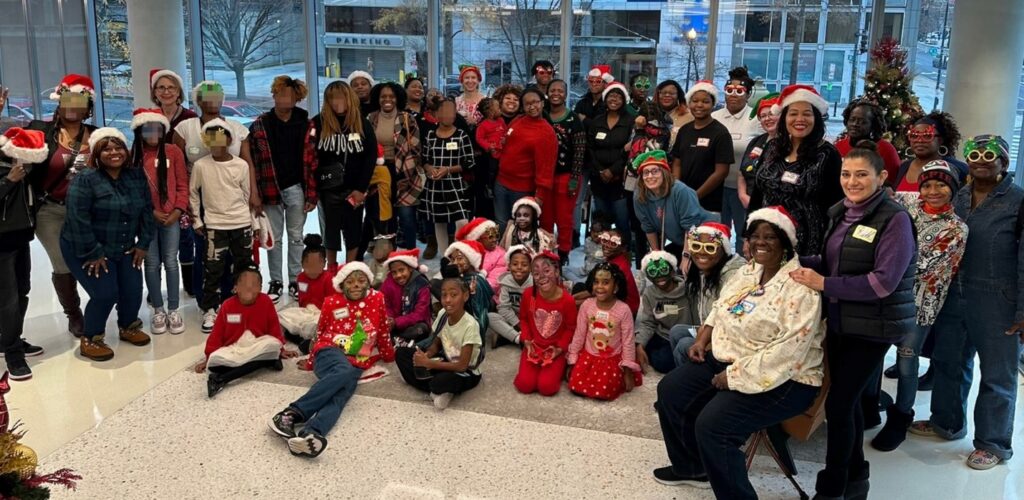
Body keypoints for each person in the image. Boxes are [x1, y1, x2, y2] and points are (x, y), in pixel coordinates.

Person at [653, 206, 824, 499]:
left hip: (786, 379)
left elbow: (788, 353)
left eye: (770, 236)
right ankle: (692, 467)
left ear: (786, 242)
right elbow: (722, 305)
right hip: (729, 357)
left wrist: (732, 376)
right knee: (671, 390)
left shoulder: (801, 287)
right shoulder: (749, 271)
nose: (760, 242)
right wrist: (703, 339)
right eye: (754, 235)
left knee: (714, 428)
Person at [789, 141, 916, 499]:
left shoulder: (895, 219)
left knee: (839, 404)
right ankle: (857, 478)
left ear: (882, 177)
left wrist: (824, 283)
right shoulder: (842, 213)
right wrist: (798, 263)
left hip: (875, 327)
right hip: (843, 320)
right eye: (846, 174)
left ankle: (831, 490)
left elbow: (882, 282)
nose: (852, 181)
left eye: (862, 174)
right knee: (852, 402)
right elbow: (835, 263)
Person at [909, 135, 1024, 471]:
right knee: (950, 360)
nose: (982, 160)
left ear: (1004, 161)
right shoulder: (957, 194)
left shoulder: (1017, 201)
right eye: (975, 154)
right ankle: (947, 422)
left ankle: (993, 443)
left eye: (991, 155)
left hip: (999, 298)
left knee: (997, 374)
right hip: (953, 292)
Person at [869, 160, 967, 452]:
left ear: (953, 189)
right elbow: (881, 193)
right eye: (927, 184)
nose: (933, 191)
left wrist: (884, 261)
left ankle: (901, 417)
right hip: (883, 297)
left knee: (907, 361)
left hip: (920, 306)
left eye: (941, 185)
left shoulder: (956, 228)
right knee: (872, 354)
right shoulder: (908, 204)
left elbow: (925, 266)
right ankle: (869, 405)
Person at [270, 261, 393, 457]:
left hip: (359, 358)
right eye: (350, 282)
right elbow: (319, 333)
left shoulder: (377, 299)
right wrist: (311, 361)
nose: (356, 286)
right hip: (329, 349)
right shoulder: (331, 302)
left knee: (340, 397)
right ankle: (291, 413)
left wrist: (388, 354)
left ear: (369, 284)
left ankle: (311, 434)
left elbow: (383, 328)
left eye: (361, 281)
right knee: (342, 371)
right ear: (342, 285)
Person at [60, 128, 155, 361]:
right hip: (85, 246)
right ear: (96, 153)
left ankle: (128, 326)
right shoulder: (85, 179)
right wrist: (93, 253)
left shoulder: (135, 175)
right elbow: (77, 219)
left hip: (124, 244)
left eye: (118, 147)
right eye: (107, 149)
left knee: (133, 289)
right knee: (105, 293)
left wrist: (142, 244)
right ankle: (91, 338)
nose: (114, 153)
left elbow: (146, 211)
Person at [173, 81, 260, 306]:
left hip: (234, 199)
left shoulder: (237, 128)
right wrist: (184, 202)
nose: (213, 100)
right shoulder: (185, 128)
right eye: (207, 96)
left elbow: (247, 163)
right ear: (198, 100)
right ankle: (208, 303)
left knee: (236, 254)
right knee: (208, 254)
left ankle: (234, 298)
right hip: (202, 197)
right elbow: (178, 166)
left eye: (217, 95)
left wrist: (254, 194)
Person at [25, 74, 96, 338]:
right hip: (50, 210)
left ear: (88, 107)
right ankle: (73, 313)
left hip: (86, 212)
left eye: (79, 101)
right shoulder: (41, 132)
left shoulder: (97, 135)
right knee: (62, 262)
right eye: (68, 100)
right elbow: (14, 148)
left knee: (91, 259)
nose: (73, 106)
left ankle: (98, 304)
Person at [749, 85, 843, 256]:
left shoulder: (828, 154)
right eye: (793, 113)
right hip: (765, 239)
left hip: (808, 244)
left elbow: (837, 204)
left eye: (807, 114)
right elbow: (757, 193)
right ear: (784, 118)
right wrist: (747, 235)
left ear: (816, 118)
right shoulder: (772, 147)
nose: (800, 119)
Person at [249, 76, 316, 302]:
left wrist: (311, 194)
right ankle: (276, 281)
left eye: (290, 94)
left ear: (298, 98)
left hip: (297, 187)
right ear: (274, 95)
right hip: (269, 189)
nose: (285, 98)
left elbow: (313, 162)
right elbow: (253, 160)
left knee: (297, 237)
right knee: (274, 238)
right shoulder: (261, 123)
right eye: (280, 93)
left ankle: (296, 279)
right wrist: (254, 193)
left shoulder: (307, 124)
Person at [189, 119, 256, 332]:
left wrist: (253, 223)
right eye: (211, 139)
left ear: (229, 139)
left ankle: (247, 305)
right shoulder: (201, 166)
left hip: (241, 223)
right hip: (215, 226)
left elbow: (247, 195)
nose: (216, 144)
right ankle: (210, 309)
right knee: (213, 269)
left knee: (244, 265)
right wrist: (197, 221)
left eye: (221, 138)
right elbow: (193, 194)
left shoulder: (241, 165)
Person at [195, 265, 298, 398]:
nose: (249, 288)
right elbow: (216, 335)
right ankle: (224, 375)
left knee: (273, 350)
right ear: (235, 288)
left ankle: (222, 378)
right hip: (233, 350)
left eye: (254, 285)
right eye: (244, 284)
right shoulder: (227, 305)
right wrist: (209, 358)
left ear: (261, 288)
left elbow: (274, 329)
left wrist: (281, 349)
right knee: (216, 363)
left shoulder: (266, 302)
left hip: (257, 347)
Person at [306, 81, 378, 266]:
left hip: (354, 188)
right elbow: (310, 156)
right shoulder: (318, 122)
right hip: (328, 189)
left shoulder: (362, 123)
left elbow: (370, 157)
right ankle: (331, 267)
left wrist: (361, 189)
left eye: (341, 97)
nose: (338, 102)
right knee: (330, 230)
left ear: (349, 99)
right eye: (333, 98)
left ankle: (351, 266)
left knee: (353, 230)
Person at [130, 108, 188, 335]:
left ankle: (174, 308)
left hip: (172, 217)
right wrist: (151, 212)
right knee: (151, 263)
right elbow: (133, 192)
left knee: (171, 262)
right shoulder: (133, 155)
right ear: (139, 130)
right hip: (147, 219)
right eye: (147, 128)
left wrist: (177, 209)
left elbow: (182, 184)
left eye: (157, 127)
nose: (153, 132)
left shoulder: (173, 152)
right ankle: (158, 309)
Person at [0, 127, 49, 380]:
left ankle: (11, 339)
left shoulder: (22, 164)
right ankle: (13, 353)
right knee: (7, 299)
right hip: (2, 240)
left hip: (21, 236)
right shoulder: (12, 170)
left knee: (22, 290)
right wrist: (9, 180)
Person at [148, 68, 200, 297]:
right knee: (156, 240)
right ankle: (156, 288)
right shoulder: (148, 117)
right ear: (155, 92)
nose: (166, 91)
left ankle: (189, 282)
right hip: (155, 190)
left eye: (171, 87)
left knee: (186, 238)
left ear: (179, 91)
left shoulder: (190, 118)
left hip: (183, 185)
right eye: (161, 87)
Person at [395, 275, 483, 410]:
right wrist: (427, 355)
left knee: (439, 382)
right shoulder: (442, 313)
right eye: (444, 295)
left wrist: (428, 364)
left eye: (454, 295)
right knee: (401, 353)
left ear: (465, 296)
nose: (447, 300)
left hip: (466, 373)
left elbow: (462, 366)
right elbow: (436, 343)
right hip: (444, 360)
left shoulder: (470, 325)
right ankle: (433, 388)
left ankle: (432, 386)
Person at [669, 222, 747, 367]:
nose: (702, 253)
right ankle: (686, 376)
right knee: (676, 332)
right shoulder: (704, 270)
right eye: (696, 246)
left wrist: (704, 339)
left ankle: (696, 381)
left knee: (684, 345)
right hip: (709, 327)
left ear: (724, 249)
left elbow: (735, 315)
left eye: (710, 248)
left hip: (729, 337)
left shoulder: (733, 274)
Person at [568, 262, 641, 401]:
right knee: (575, 387)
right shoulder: (587, 305)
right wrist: (573, 360)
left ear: (616, 287)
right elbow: (579, 334)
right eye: (596, 282)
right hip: (589, 356)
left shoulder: (623, 310)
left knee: (604, 393)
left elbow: (628, 342)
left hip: (611, 360)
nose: (599, 287)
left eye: (606, 282)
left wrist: (627, 371)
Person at [712, 68, 764, 253]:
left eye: (739, 91)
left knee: (745, 234)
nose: (733, 95)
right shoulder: (714, 117)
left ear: (748, 94)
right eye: (729, 90)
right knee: (717, 232)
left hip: (744, 189)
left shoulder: (756, 120)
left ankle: (743, 269)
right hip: (716, 186)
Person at [494, 88, 558, 235]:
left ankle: (517, 257)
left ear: (542, 103)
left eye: (535, 102)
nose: (532, 106)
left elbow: (546, 168)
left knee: (520, 230)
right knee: (501, 224)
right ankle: (502, 257)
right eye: (527, 103)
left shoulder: (546, 132)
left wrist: (540, 197)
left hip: (522, 189)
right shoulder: (518, 120)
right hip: (501, 182)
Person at [514, 251, 577, 396]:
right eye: (536, 273)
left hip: (555, 350)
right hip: (533, 348)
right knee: (525, 385)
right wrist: (527, 340)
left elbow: (571, 328)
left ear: (556, 271)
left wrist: (560, 349)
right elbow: (523, 319)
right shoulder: (529, 295)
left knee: (547, 388)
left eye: (546, 270)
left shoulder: (567, 301)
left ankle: (560, 369)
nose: (541, 276)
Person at [671, 80, 734, 217]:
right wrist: (677, 189)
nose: (699, 105)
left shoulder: (720, 133)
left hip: (709, 204)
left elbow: (721, 172)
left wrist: (694, 196)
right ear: (689, 103)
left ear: (713, 105)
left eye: (705, 102)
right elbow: (677, 162)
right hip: (681, 200)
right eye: (695, 101)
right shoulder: (684, 130)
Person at [420, 97, 474, 253]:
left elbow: (470, 162)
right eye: (444, 112)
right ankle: (445, 258)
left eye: (451, 112)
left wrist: (448, 169)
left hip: (455, 184)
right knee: (439, 222)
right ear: (436, 114)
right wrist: (429, 168)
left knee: (462, 221)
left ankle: (461, 253)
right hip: (435, 185)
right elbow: (424, 159)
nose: (448, 116)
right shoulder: (430, 135)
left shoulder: (461, 135)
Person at [632, 150, 707, 261]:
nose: (650, 176)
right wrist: (656, 254)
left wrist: (686, 256)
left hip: (703, 239)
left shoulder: (680, 191)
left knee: (687, 272)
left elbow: (691, 227)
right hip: (680, 241)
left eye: (655, 171)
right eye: (646, 172)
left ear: (664, 172)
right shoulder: (640, 196)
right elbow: (648, 227)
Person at [586, 82, 633, 247]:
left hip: (620, 180)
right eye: (611, 96)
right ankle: (601, 253)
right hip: (599, 179)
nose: (614, 99)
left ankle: (624, 251)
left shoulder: (630, 121)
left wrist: (612, 171)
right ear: (605, 99)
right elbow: (590, 148)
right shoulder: (597, 121)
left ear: (624, 100)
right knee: (601, 219)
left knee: (621, 219)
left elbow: (630, 150)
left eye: (618, 96)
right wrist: (600, 170)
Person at [545, 79, 587, 264]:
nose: (556, 93)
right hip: (544, 177)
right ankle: (545, 251)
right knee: (545, 218)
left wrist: (575, 178)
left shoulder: (573, 119)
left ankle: (563, 254)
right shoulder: (542, 116)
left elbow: (579, 151)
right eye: (552, 90)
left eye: (560, 90)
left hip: (566, 176)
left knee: (564, 218)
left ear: (565, 94)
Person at [634, 251, 689, 374]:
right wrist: (640, 344)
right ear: (648, 276)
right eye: (652, 272)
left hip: (684, 337)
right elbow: (648, 322)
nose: (659, 276)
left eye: (663, 269)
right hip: (662, 335)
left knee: (665, 362)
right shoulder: (650, 293)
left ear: (673, 271)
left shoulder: (689, 290)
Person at [278, 234, 333, 354]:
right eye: (308, 264)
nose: (312, 269)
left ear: (323, 263)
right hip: (304, 312)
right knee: (281, 316)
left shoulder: (328, 278)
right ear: (302, 263)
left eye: (317, 264)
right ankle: (297, 337)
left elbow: (331, 304)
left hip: (321, 314)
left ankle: (308, 340)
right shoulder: (301, 277)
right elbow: (302, 301)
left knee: (317, 326)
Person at [892, 112, 968, 191]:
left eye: (927, 135)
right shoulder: (904, 167)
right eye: (914, 135)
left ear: (940, 140)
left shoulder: (958, 168)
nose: (919, 140)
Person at [835, 99, 901, 185]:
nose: (855, 124)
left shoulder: (886, 149)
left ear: (873, 125)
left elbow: (893, 183)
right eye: (852, 119)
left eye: (862, 122)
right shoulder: (839, 146)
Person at [381, 248, 432, 347]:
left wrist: (396, 322)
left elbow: (420, 314)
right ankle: (399, 339)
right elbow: (385, 304)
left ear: (410, 268)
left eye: (401, 270)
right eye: (394, 272)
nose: (398, 275)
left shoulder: (421, 284)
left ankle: (394, 338)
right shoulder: (388, 283)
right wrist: (389, 319)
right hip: (395, 323)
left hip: (414, 323)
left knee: (421, 330)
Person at [737, 93, 781, 209]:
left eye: (771, 114)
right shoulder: (756, 142)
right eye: (763, 116)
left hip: (775, 208)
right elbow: (742, 173)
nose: (767, 119)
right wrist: (742, 195)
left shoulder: (790, 144)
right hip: (749, 204)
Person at [488, 245, 532, 348]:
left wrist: (525, 324)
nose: (519, 267)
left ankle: (506, 337)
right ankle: (519, 339)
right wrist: (517, 323)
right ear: (509, 266)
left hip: (530, 320)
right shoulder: (506, 282)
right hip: (512, 318)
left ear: (530, 268)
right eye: (515, 264)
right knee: (490, 317)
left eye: (524, 264)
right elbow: (503, 308)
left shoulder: (535, 284)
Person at [454, 217, 506, 297]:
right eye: (490, 237)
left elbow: (495, 283)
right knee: (435, 283)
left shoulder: (501, 254)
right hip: (463, 287)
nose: (495, 240)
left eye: (496, 236)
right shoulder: (468, 252)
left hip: (485, 294)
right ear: (478, 240)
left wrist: (471, 288)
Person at [656, 80, 693, 149]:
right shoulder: (650, 115)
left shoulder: (689, 117)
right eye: (663, 93)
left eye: (672, 93)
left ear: (678, 96)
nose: (667, 95)